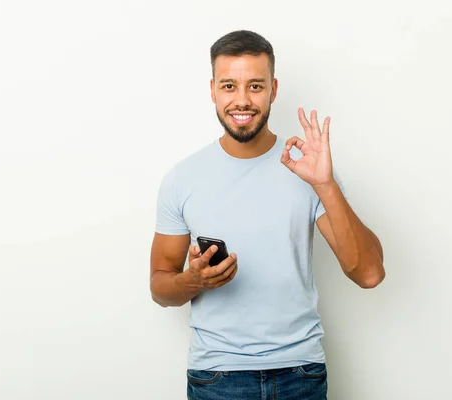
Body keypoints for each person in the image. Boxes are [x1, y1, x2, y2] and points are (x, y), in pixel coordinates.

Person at [149, 30, 385, 400]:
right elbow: (160, 288)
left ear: (274, 89)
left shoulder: (308, 170)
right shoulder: (183, 179)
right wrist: (194, 280)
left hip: (301, 374)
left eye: (255, 86)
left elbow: (369, 273)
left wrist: (325, 185)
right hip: (217, 377)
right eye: (229, 86)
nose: (242, 100)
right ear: (212, 90)